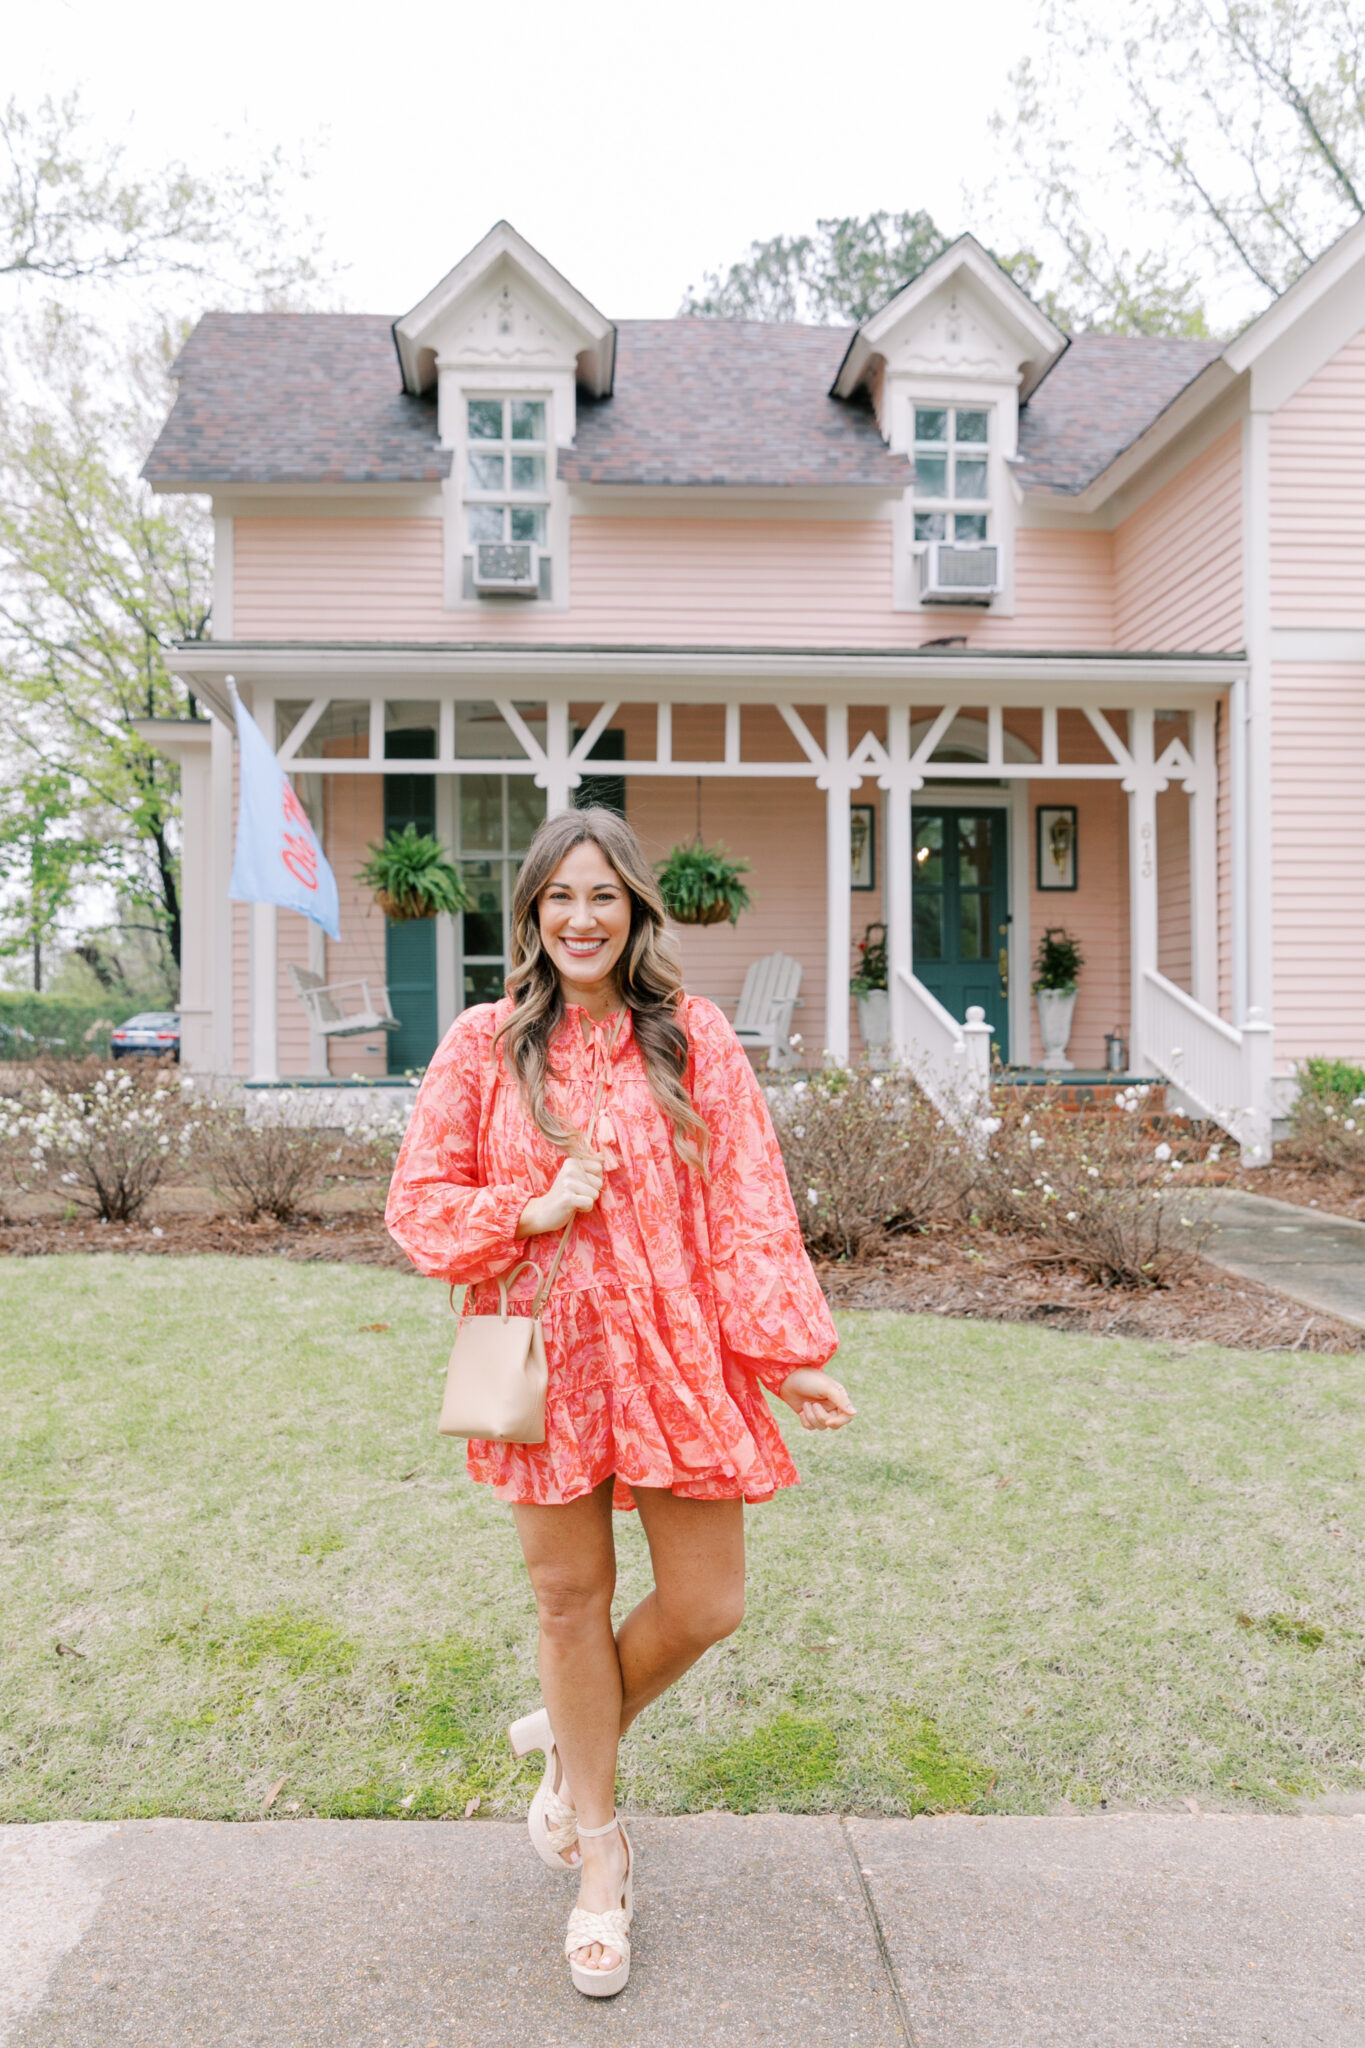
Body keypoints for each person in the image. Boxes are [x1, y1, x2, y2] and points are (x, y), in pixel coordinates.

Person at [386, 807, 854, 1998]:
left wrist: (789, 1350)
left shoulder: (693, 1037)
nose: (581, 917)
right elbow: (417, 1203)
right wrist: (527, 1209)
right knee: (566, 1600)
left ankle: (573, 1729)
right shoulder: (485, 1042)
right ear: (532, 914)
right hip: (534, 1352)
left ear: (636, 908)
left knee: (707, 1600)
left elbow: (750, 1195)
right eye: (559, 897)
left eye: (604, 895)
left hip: (674, 1344)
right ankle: (602, 1856)